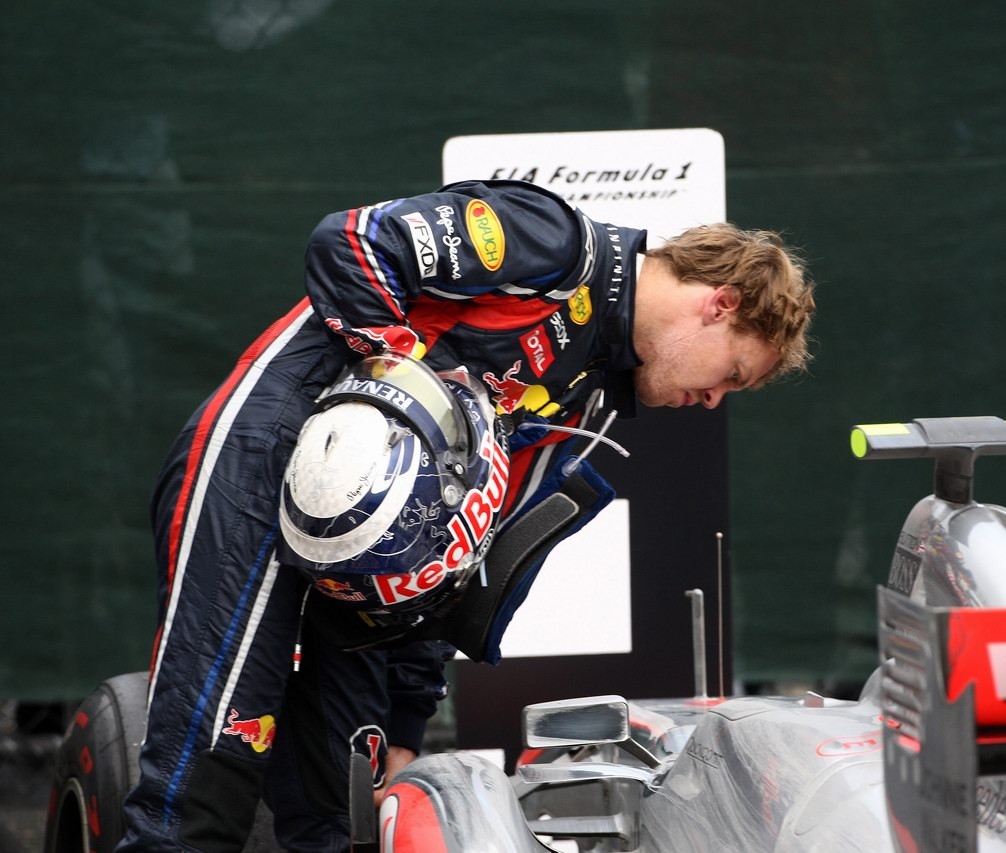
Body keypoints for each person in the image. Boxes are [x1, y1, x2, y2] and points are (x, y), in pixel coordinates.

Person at [119, 178, 815, 851]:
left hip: (369, 575)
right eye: (733, 375)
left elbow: (457, 554)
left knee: (345, 806)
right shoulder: (554, 246)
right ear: (720, 304)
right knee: (212, 750)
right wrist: (416, 371)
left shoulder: (588, 404)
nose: (716, 399)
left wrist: (407, 719)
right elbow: (353, 244)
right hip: (272, 452)